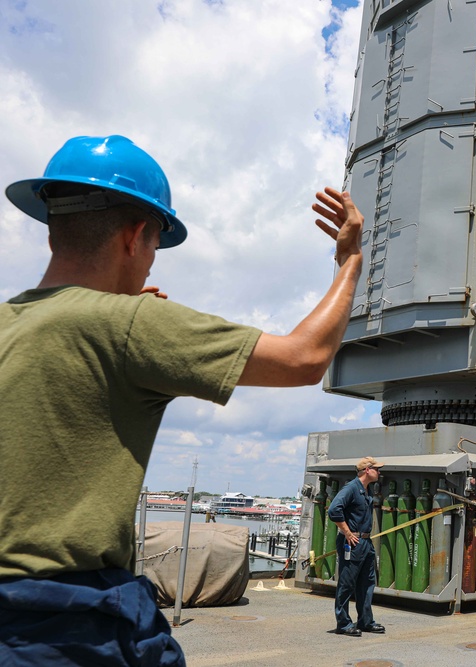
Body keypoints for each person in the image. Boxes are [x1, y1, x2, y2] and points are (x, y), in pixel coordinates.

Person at [0, 135, 364, 666]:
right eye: (154, 247)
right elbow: (305, 357)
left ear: (53, 226)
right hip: (68, 626)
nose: (151, 265)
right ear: (135, 234)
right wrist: (350, 259)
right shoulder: (131, 324)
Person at [327, 456, 386, 637]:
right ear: (367, 470)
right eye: (376, 469)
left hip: (366, 543)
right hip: (353, 543)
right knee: (347, 583)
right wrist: (347, 532)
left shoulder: (366, 490)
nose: (379, 472)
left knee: (367, 583)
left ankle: (365, 622)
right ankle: (343, 624)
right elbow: (333, 510)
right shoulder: (352, 488)